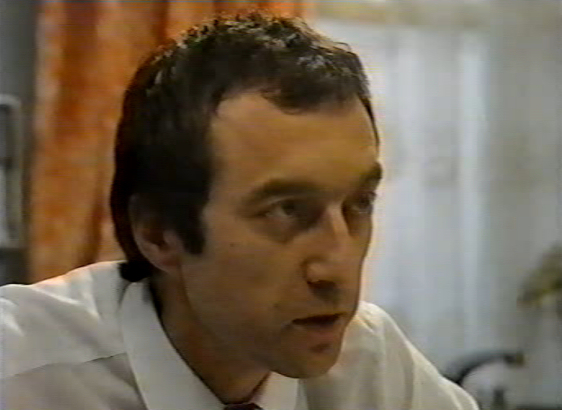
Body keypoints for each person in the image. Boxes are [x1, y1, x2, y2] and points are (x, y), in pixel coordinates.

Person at [1, 12, 479, 410]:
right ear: (159, 233)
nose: (338, 269)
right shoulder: (20, 373)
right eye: (287, 211)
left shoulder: (372, 365)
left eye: (359, 204)